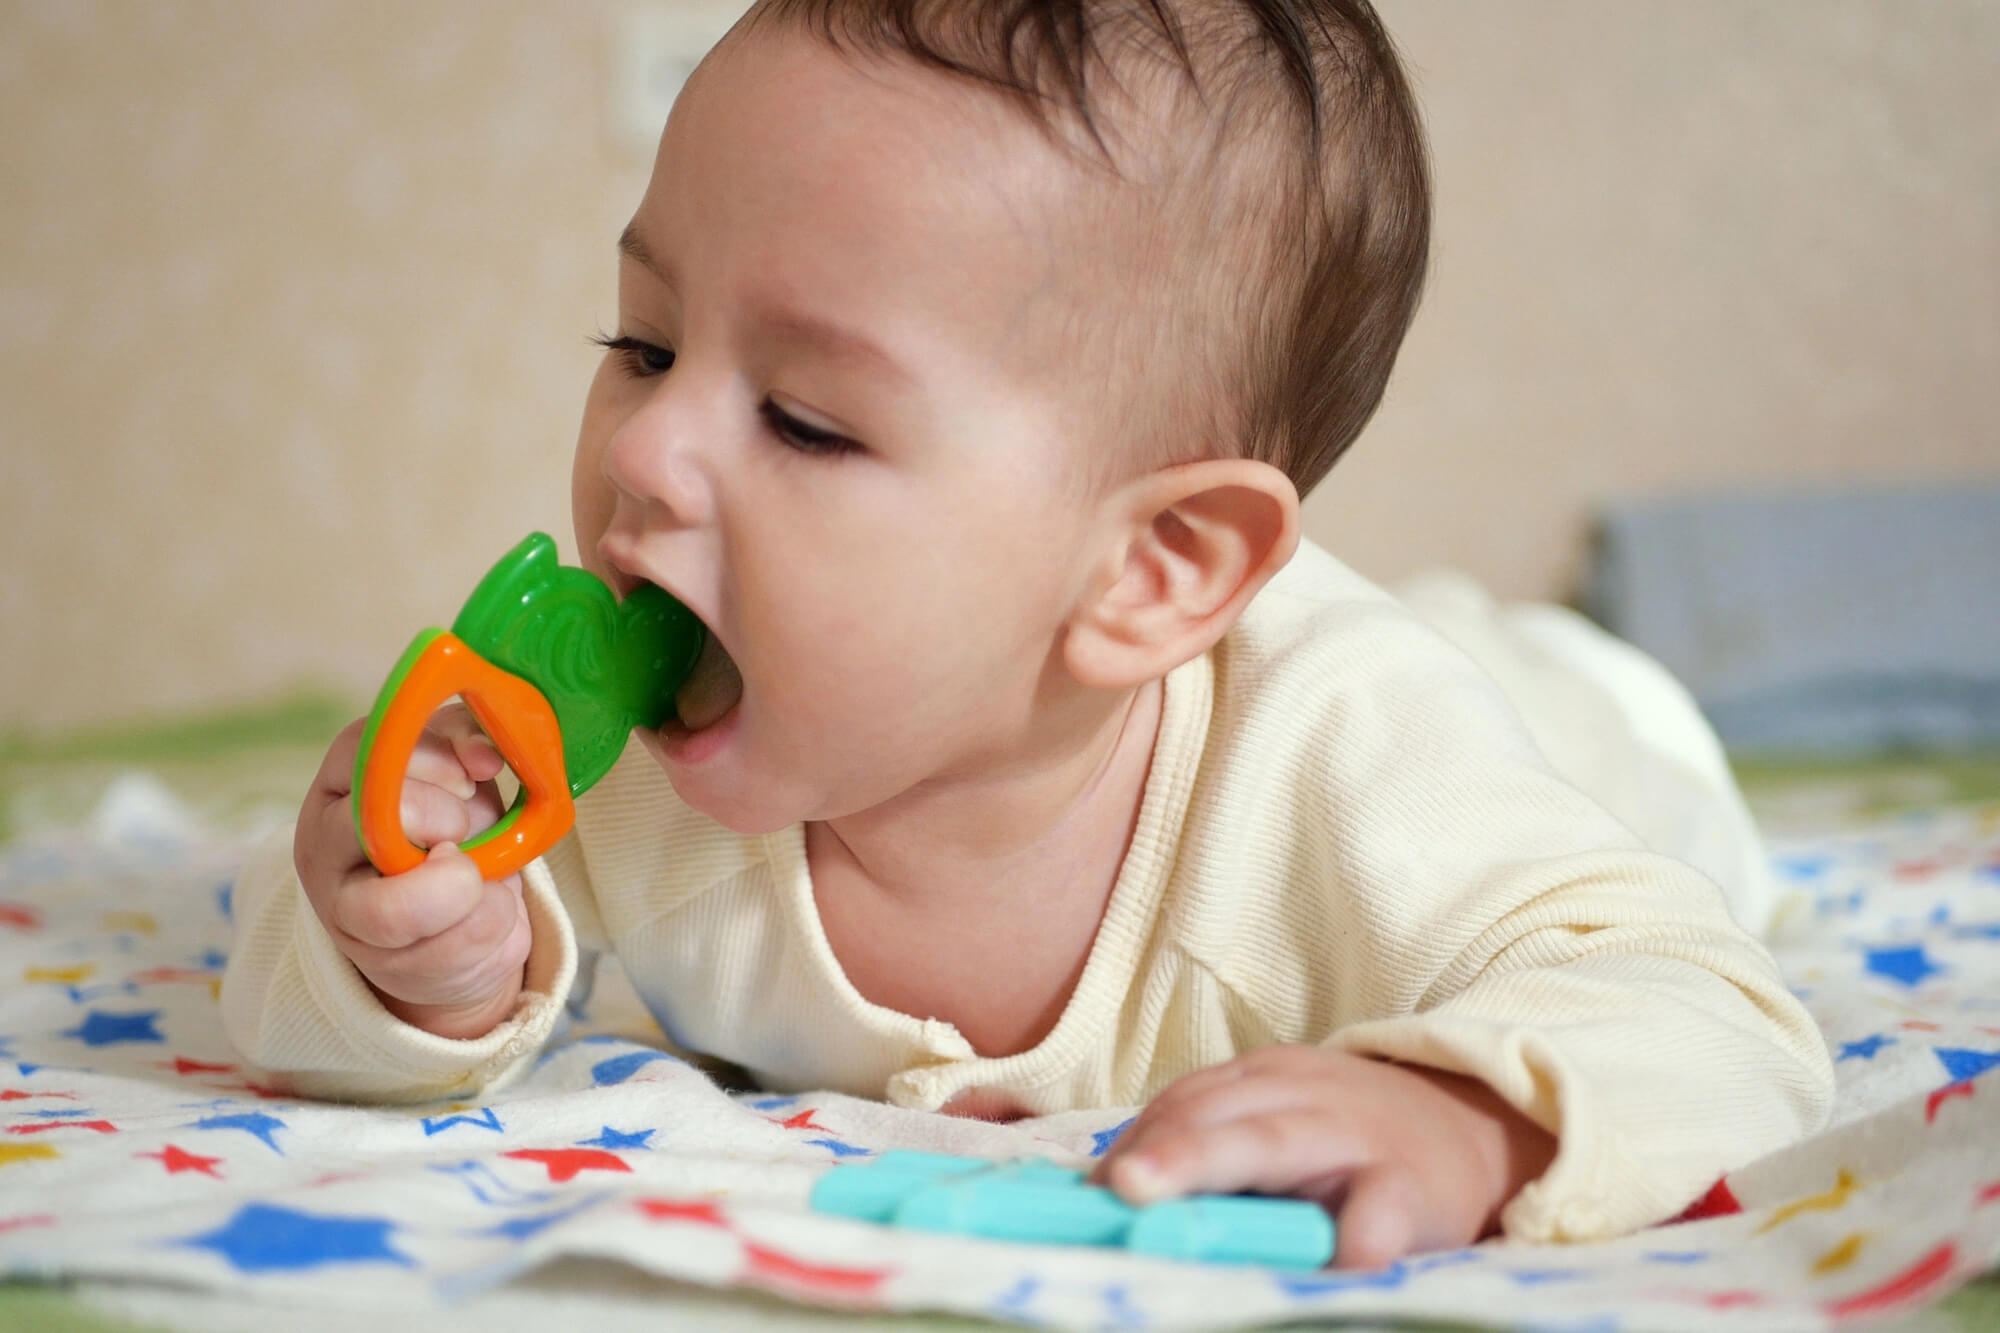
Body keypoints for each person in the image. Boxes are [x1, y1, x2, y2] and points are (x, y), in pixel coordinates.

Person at [223, 0, 1834, 1268]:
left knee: (1513, 686)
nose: (642, 452)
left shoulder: (1349, 765)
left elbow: (1713, 1015)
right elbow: (296, 1022)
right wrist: (415, 964)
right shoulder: (635, 763)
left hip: (1593, 734)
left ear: (1151, 568)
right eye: (643, 342)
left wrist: (1475, 1115)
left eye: (802, 417)